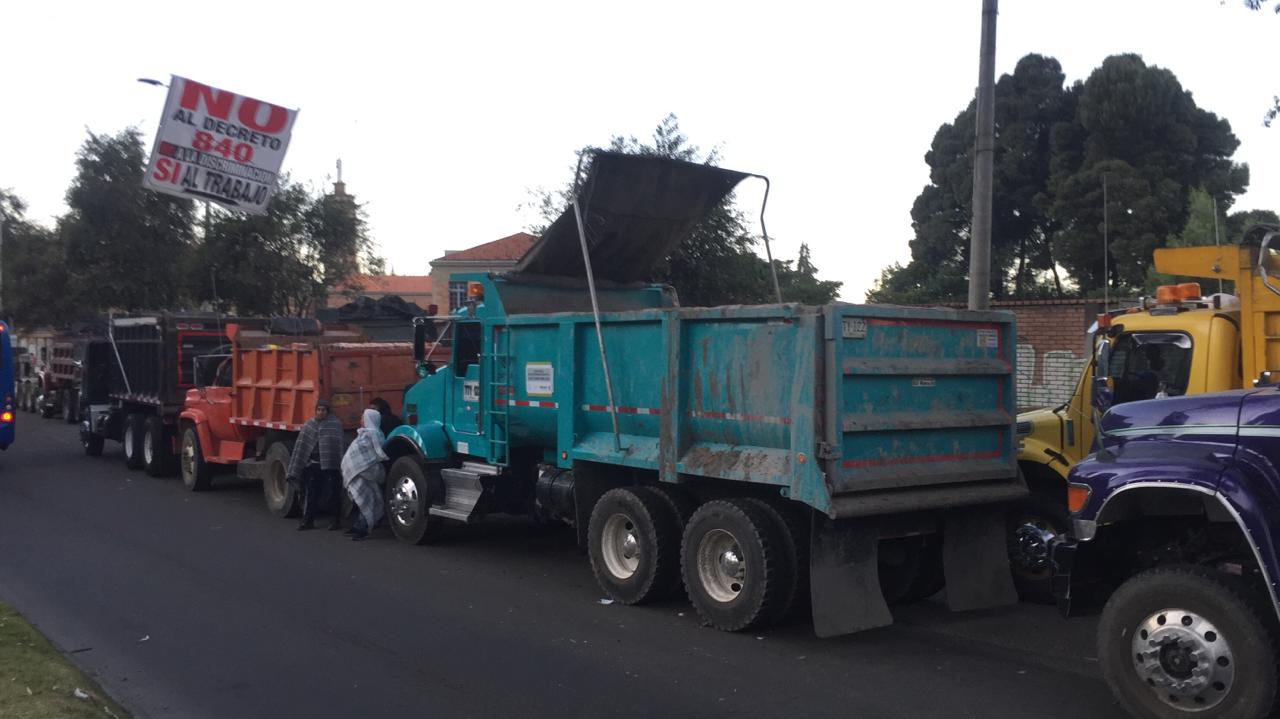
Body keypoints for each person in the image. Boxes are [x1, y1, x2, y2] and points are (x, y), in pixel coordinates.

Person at [287, 399, 345, 531]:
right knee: (311, 494)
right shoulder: (310, 424)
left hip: (331, 465)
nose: (320, 413)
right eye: (318, 410)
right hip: (314, 464)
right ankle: (308, 521)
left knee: (333, 493)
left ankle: (335, 520)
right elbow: (302, 446)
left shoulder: (335, 424)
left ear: (327, 411)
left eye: (323, 410)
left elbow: (339, 446)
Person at [341, 408, 389, 541]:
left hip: (365, 472)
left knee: (365, 500)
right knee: (363, 500)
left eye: (363, 417)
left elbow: (368, 454)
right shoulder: (369, 434)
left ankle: (363, 529)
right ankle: (358, 526)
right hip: (363, 472)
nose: (361, 420)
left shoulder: (371, 435)